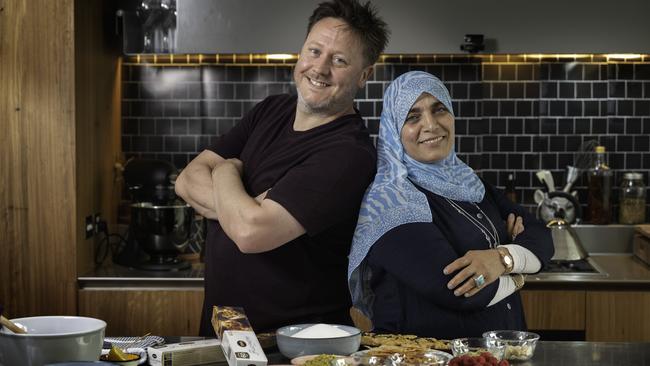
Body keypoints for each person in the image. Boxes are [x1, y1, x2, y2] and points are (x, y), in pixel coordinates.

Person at [175, 0, 390, 335]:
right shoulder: (271, 110)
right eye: (314, 51)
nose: (320, 68)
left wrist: (226, 171)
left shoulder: (349, 153)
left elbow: (250, 233)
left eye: (339, 60)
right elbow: (187, 181)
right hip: (227, 334)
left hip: (296, 345)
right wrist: (245, 208)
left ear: (364, 75)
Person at [348, 71, 554, 339]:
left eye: (439, 110)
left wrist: (500, 259)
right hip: (426, 357)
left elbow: (541, 236)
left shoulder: (472, 184)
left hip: (495, 354)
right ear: (393, 130)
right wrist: (518, 272)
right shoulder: (391, 201)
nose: (431, 125)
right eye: (412, 117)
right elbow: (458, 292)